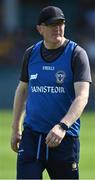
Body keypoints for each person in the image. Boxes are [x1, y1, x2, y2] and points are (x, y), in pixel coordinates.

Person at [11, 6, 92, 180]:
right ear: (40, 28)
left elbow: (82, 96)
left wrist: (62, 126)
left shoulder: (77, 54)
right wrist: (15, 127)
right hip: (31, 138)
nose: (57, 27)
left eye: (61, 23)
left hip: (64, 139)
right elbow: (22, 90)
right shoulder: (30, 53)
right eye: (51, 24)